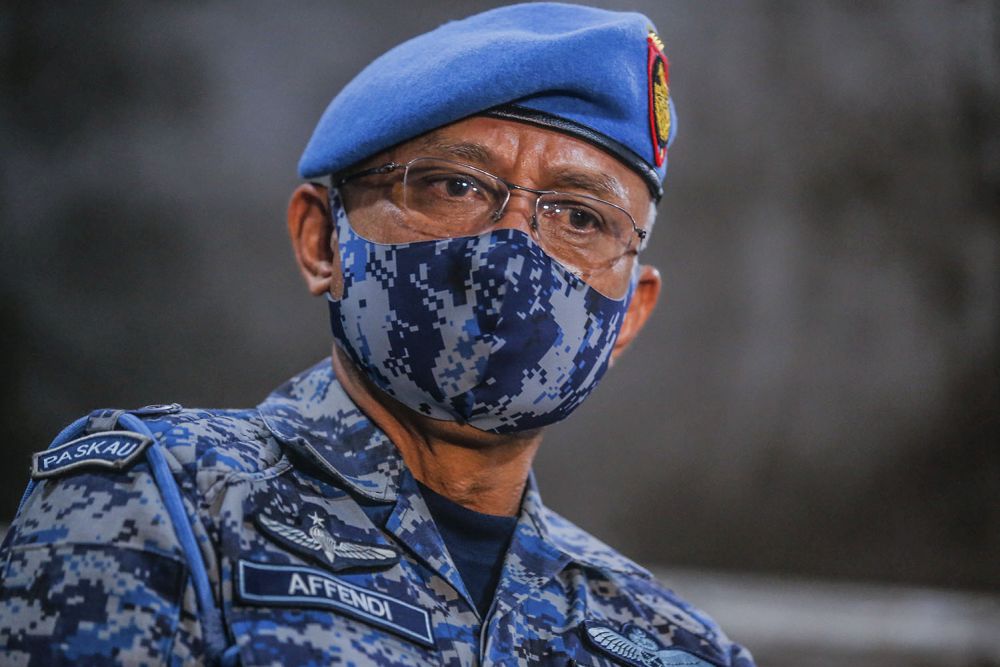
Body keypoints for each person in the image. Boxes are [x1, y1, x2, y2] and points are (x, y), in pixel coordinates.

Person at [0, 4, 754, 665]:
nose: (514, 250)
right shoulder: (167, 502)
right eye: (456, 186)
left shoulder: (673, 644)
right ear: (322, 241)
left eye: (580, 217)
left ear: (627, 315)